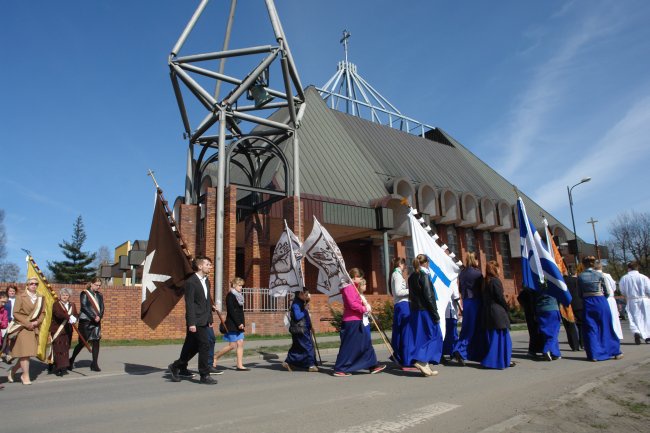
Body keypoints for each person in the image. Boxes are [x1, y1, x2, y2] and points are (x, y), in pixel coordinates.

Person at [169, 256, 218, 384]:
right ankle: (204, 374)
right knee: (204, 344)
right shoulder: (191, 282)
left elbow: (206, 301)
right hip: (195, 320)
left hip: (204, 319)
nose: (210, 267)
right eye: (208, 264)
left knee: (191, 346)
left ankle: (177, 366)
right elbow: (189, 303)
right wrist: (191, 323)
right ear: (200, 266)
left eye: (210, 265)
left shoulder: (206, 281)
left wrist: (210, 317)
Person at [333, 268, 385, 376]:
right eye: (360, 277)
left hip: (357, 319)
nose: (361, 280)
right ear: (355, 277)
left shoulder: (353, 287)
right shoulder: (349, 288)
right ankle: (340, 368)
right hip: (352, 321)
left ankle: (372, 365)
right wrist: (364, 309)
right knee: (349, 346)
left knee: (365, 343)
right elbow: (352, 305)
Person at [577, 256, 623, 362]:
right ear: (593, 264)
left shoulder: (580, 277)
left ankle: (594, 354)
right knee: (606, 326)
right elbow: (607, 291)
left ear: (583, 264)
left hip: (588, 301)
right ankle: (613, 350)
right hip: (600, 300)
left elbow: (579, 293)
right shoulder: (599, 274)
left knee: (590, 328)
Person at [404, 255, 441, 377]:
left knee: (422, 337)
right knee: (434, 335)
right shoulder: (424, 275)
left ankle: (425, 364)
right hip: (425, 310)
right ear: (426, 263)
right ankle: (421, 360)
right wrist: (435, 314)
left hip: (416, 310)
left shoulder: (411, 276)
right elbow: (429, 296)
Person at [7, 278, 45, 385]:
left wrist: (37, 322)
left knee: (27, 354)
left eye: (36, 284)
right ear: (27, 285)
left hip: (34, 327)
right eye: (31, 284)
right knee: (25, 353)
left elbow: (43, 312)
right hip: (22, 327)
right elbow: (16, 313)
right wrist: (27, 323)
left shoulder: (41, 297)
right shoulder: (20, 297)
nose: (34, 285)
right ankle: (25, 376)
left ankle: (13, 370)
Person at [452, 252, 485, 365]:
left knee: (467, 327)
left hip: (466, 301)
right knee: (473, 328)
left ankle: (467, 352)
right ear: (474, 260)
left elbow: (460, 289)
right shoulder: (477, 274)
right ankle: (459, 350)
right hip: (475, 301)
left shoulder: (462, 273)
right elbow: (482, 289)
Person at [481, 261, 515, 369]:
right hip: (497, 311)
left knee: (495, 338)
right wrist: (506, 307)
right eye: (498, 268)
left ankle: (500, 360)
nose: (500, 270)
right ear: (495, 269)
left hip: (489, 311)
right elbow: (499, 297)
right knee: (503, 338)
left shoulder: (485, 281)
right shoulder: (495, 281)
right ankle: (502, 360)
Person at [69, 278, 105, 372]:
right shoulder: (84, 293)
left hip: (96, 322)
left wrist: (99, 316)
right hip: (86, 321)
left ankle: (94, 364)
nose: (98, 287)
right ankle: (71, 359)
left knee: (96, 341)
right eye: (96, 285)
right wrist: (93, 316)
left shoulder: (100, 295)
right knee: (82, 343)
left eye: (99, 285)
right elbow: (84, 307)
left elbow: (102, 307)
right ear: (92, 284)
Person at [213, 277, 248, 372]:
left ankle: (239, 365)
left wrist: (242, 323)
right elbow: (232, 312)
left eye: (242, 285)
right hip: (232, 323)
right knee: (232, 345)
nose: (241, 287)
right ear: (234, 285)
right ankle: (215, 357)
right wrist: (238, 323)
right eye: (240, 285)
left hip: (239, 323)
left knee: (240, 343)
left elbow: (240, 312)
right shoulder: (230, 296)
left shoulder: (239, 296)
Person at [283, 290, 318, 372]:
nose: (306, 296)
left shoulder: (301, 302)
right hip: (300, 329)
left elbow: (306, 316)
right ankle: (311, 365)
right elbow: (298, 316)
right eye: (305, 294)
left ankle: (288, 362)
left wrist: (310, 326)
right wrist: (305, 310)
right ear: (300, 294)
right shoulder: (296, 304)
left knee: (297, 348)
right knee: (308, 346)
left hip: (303, 328)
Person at [619, 261, 650, 344]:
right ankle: (647, 336)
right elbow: (649, 289)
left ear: (628, 268)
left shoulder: (624, 278)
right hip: (643, 299)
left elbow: (622, 291)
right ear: (637, 268)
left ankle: (636, 331)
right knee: (646, 318)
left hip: (631, 300)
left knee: (633, 318)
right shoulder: (643, 277)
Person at [389, 257, 413, 368]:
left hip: (400, 305)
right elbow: (398, 292)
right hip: (403, 305)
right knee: (405, 333)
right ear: (400, 264)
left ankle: (400, 356)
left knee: (399, 333)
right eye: (404, 265)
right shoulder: (397, 275)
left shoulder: (394, 274)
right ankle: (406, 360)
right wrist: (412, 290)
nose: (405, 267)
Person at [49, 288, 78, 376]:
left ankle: (63, 366)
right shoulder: (56, 304)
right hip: (58, 329)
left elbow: (76, 314)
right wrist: (69, 317)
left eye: (66, 295)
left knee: (65, 349)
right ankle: (58, 367)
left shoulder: (72, 305)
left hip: (68, 330)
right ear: (60, 295)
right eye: (63, 295)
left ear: (69, 296)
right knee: (58, 349)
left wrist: (75, 318)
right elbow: (58, 314)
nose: (64, 297)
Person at [595, 262, 623, 340]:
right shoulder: (607, 275)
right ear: (601, 267)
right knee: (613, 316)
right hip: (609, 298)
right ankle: (616, 334)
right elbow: (613, 286)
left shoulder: (593, 276)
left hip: (599, 298)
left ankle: (604, 335)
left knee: (602, 317)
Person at [535, 292, 562, 361]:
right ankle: (547, 349)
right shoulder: (552, 282)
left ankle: (555, 353)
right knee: (554, 332)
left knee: (546, 332)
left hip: (540, 308)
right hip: (552, 307)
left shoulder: (535, 284)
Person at [2, 285, 17, 362]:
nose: (12, 292)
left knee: (11, 338)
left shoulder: (17, 300)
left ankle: (9, 354)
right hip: (6, 320)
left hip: (15, 321)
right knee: (4, 338)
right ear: (7, 292)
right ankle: (4, 353)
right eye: (10, 291)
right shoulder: (5, 300)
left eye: (13, 291)